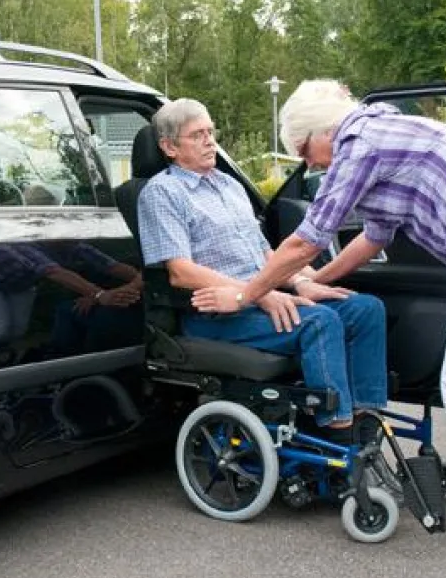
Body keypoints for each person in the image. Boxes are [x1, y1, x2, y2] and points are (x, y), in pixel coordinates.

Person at [190, 80, 446, 560]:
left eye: (305, 151)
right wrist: (312, 281)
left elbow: (304, 240)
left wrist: (246, 294)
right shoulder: (384, 132)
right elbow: (373, 238)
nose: (310, 164)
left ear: (321, 132)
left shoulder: (358, 144)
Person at [136, 97, 389, 442]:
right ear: (169, 147)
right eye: (197, 135)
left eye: (210, 132)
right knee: (320, 322)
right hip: (216, 314)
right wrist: (257, 294)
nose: (210, 141)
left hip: (257, 298)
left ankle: (366, 420)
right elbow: (181, 272)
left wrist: (299, 282)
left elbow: (265, 253)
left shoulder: (229, 186)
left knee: (365, 309)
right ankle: (338, 434)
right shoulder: (162, 193)